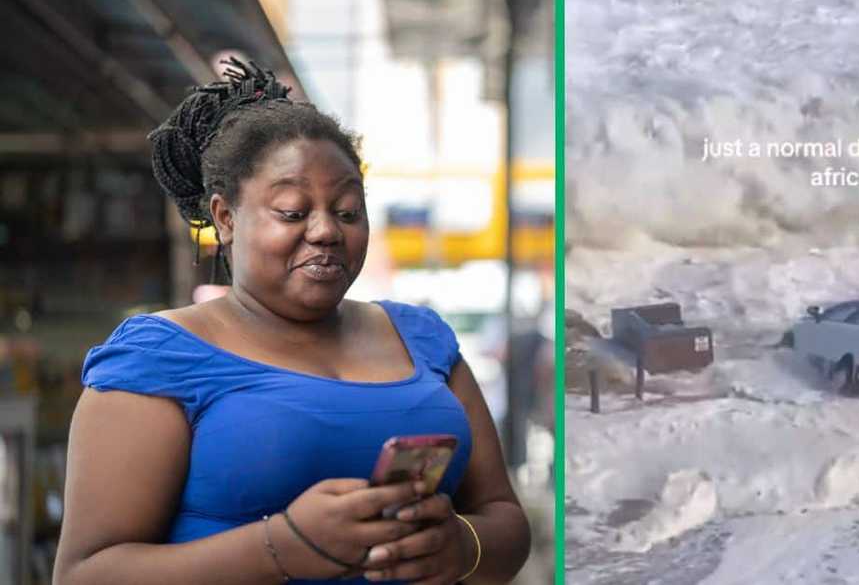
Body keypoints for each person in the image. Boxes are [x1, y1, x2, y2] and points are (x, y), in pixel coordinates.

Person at [53, 59, 530, 585]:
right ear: (225, 217)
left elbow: (504, 518)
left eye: (347, 211)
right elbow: (85, 574)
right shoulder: (160, 358)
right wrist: (278, 548)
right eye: (292, 212)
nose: (326, 230)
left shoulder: (421, 340)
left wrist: (462, 547)